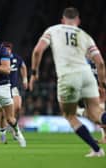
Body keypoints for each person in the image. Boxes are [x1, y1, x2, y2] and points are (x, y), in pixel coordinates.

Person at [29, 7, 106, 157]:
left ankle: (97, 150)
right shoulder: (85, 36)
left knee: (69, 115)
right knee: (96, 113)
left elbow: (38, 51)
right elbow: (100, 63)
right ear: (78, 21)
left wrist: (34, 73)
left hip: (68, 75)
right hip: (88, 75)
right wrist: (103, 84)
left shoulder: (53, 30)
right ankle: (97, 149)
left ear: (63, 20)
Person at [0, 42, 28, 144]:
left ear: (11, 50)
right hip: (2, 87)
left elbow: (23, 66)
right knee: (2, 112)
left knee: (18, 107)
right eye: (4, 49)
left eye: (8, 49)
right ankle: (2, 134)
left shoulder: (16, 58)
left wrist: (25, 79)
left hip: (13, 88)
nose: (6, 51)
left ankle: (15, 130)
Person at [76, 58, 106, 143]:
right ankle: (104, 137)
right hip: (96, 91)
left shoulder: (86, 64)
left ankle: (79, 111)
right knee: (98, 114)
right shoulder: (95, 63)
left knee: (96, 115)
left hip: (95, 91)